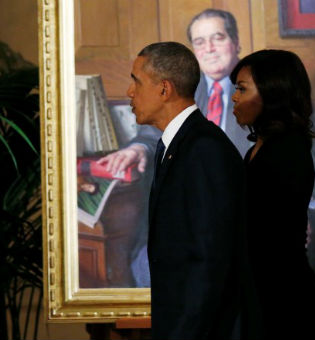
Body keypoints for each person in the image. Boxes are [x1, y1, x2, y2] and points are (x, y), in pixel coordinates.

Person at [98, 8, 250, 287]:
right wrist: (139, 149)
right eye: (200, 42)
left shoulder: (259, 93)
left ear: (236, 42)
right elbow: (151, 133)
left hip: (241, 229)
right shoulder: (181, 91)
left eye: (217, 37)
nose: (210, 48)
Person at [126, 41, 250, 339]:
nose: (129, 92)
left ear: (164, 89)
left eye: (136, 82)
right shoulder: (174, 145)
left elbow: (210, 259)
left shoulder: (203, 149)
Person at [230, 49, 315, 339]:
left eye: (242, 89)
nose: (234, 98)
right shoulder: (258, 148)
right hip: (265, 294)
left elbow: (268, 236)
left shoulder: (287, 150)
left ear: (272, 92)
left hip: (284, 302)